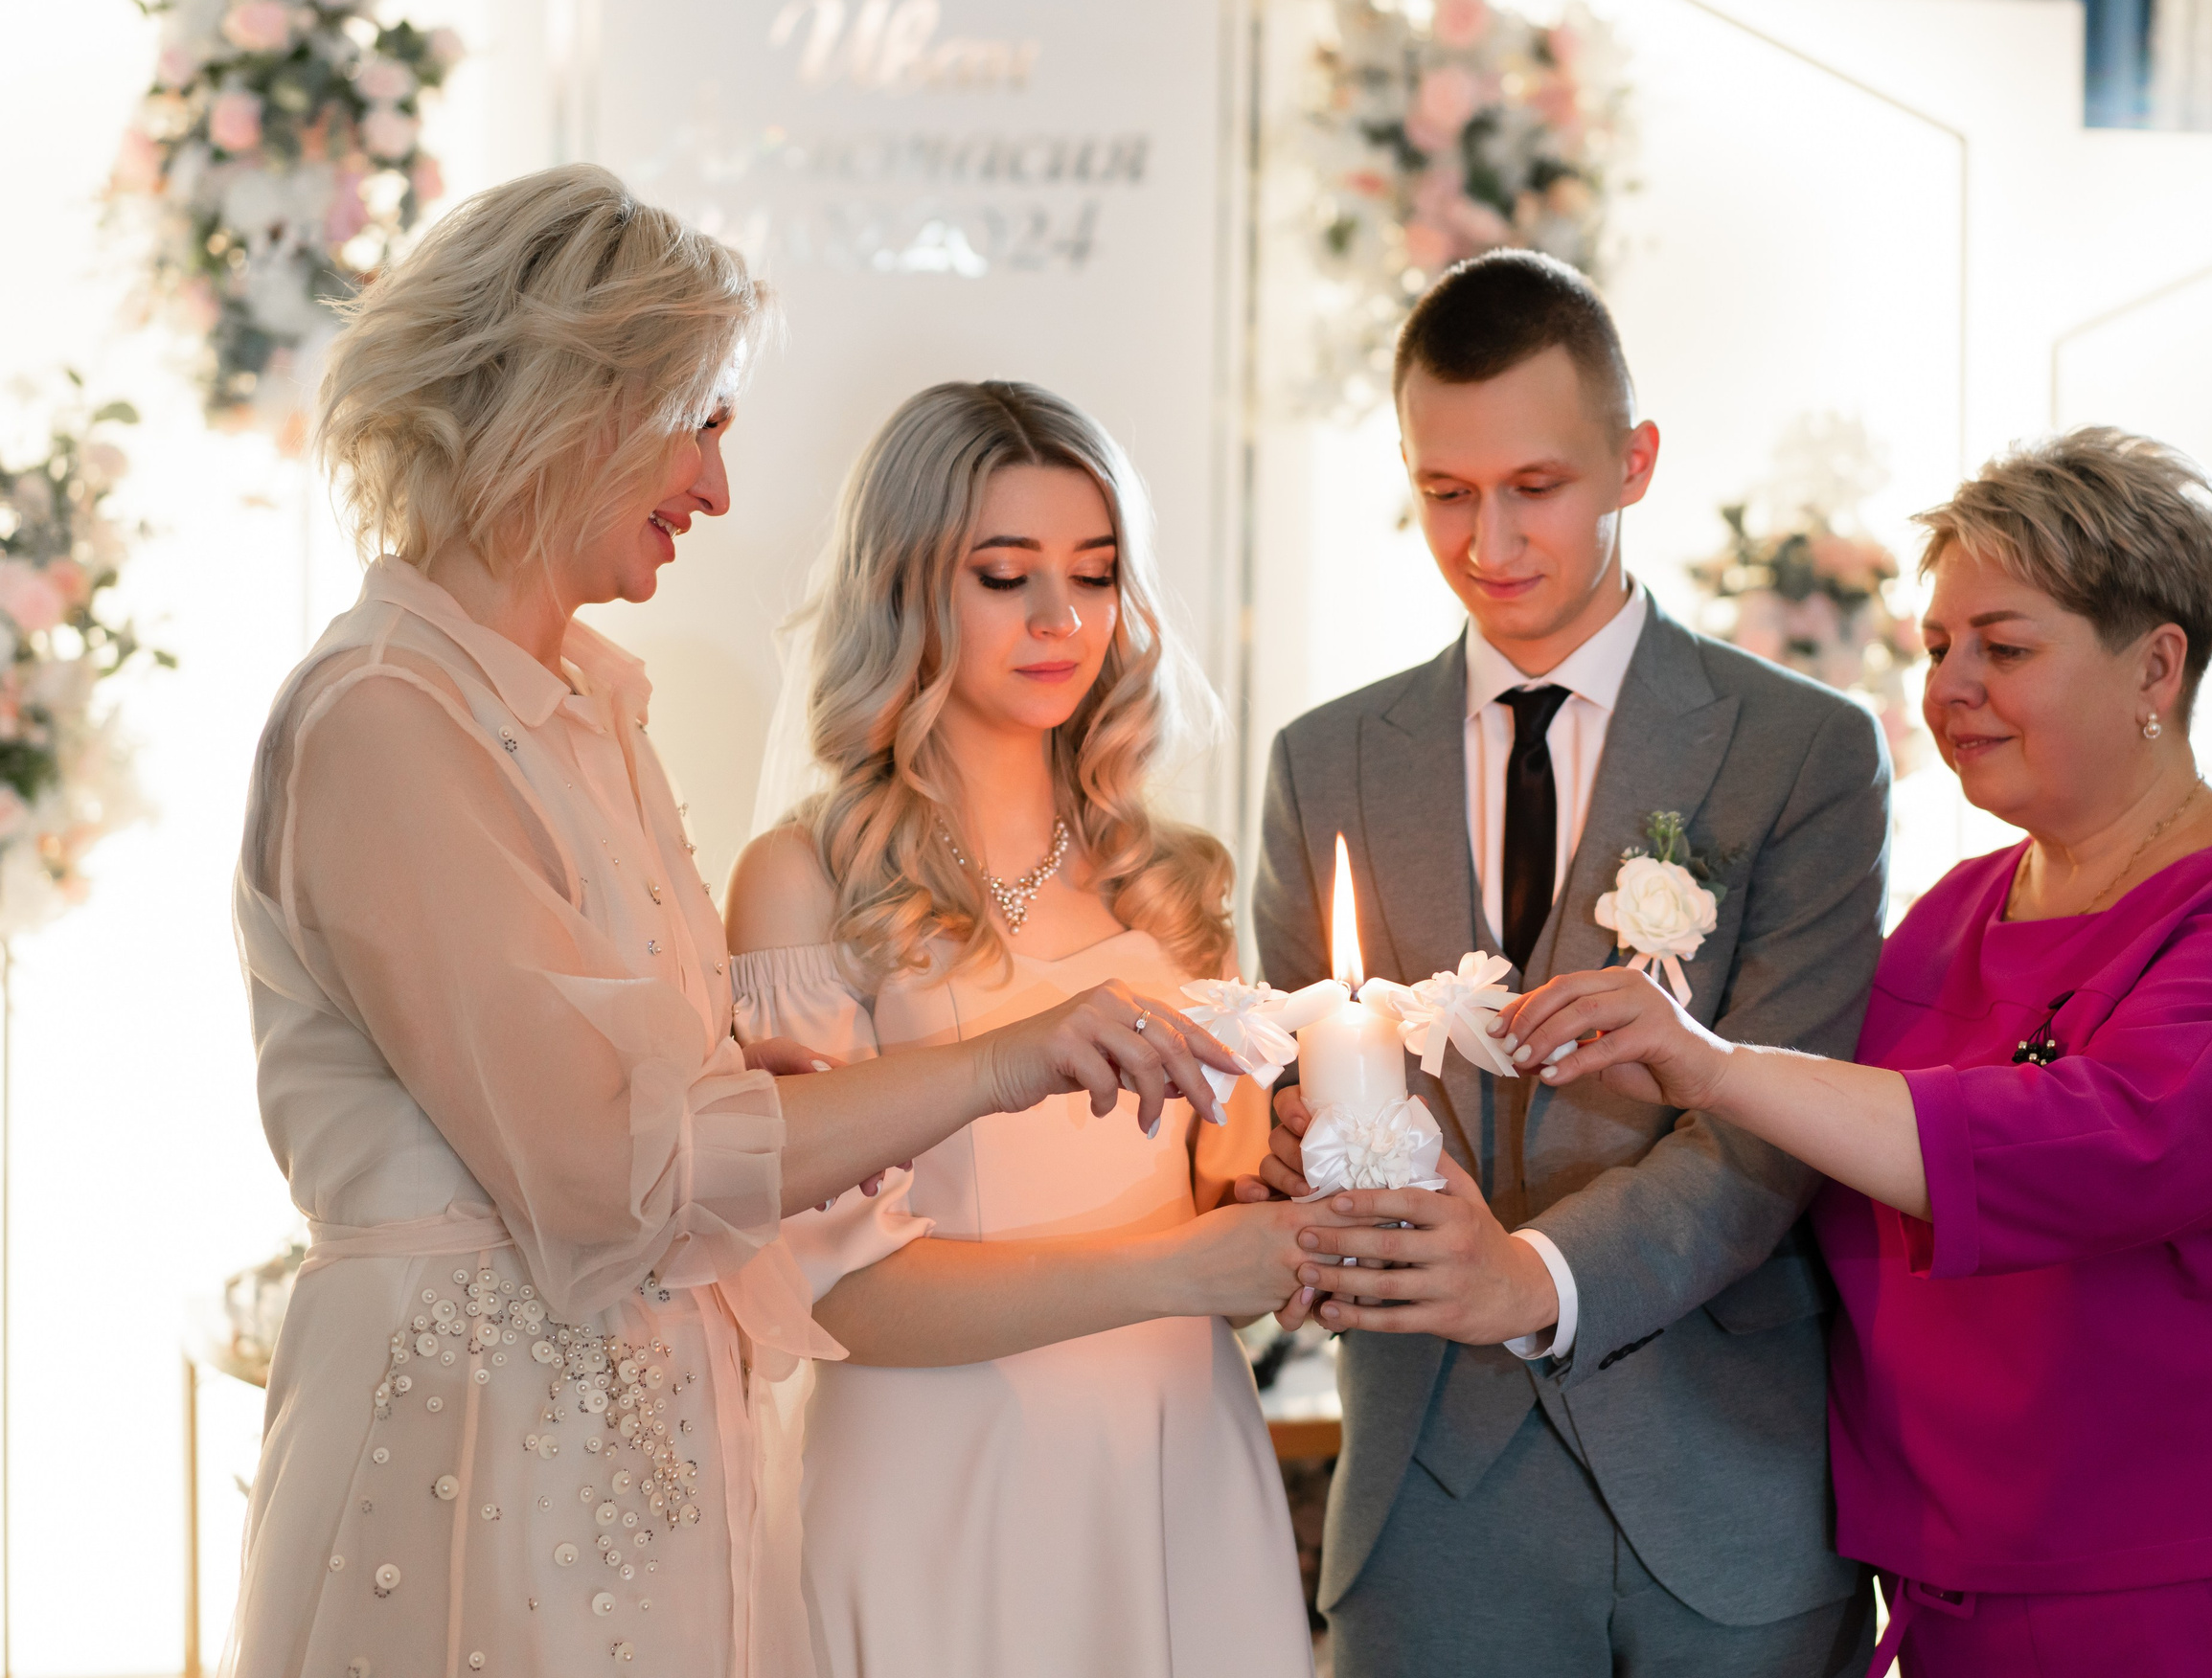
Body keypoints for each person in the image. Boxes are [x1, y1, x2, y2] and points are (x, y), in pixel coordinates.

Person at [225, 170, 1243, 1678]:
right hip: (471, 1470)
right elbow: (608, 1171)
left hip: (652, 1472)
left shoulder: (590, 710)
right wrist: (1000, 1062)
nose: (715, 489)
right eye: (694, 426)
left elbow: (713, 1130)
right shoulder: (385, 717)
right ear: (567, 402)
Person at [1497, 427, 2212, 1675]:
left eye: (2002, 648)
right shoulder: (1951, 919)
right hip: (1972, 1593)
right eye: (1938, 646)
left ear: (2155, 665)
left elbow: (2089, 1150)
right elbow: (1793, 1173)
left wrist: (1715, 1063)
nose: (1949, 688)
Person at [1238, 249, 1885, 1676]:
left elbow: (1785, 1124)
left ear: (1634, 462)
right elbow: (1298, 1100)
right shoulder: (1325, 763)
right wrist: (1289, 1158)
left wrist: (1532, 1277)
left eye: (1536, 487)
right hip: (1428, 1514)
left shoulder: (1806, 753)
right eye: (1445, 492)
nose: (1490, 540)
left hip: (1727, 1508)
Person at [724, 379, 1326, 1678]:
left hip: (1174, 1471)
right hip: (938, 1485)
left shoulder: (1175, 882)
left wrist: (1286, 1169)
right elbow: (831, 1295)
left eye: (1096, 575)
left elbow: (1222, 1189)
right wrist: (1177, 1276)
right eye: (1007, 575)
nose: (1063, 621)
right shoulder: (806, 878)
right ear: (907, 586)